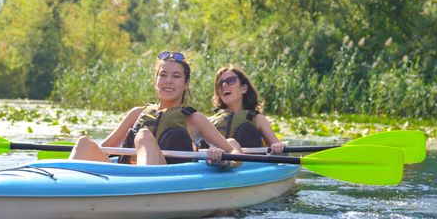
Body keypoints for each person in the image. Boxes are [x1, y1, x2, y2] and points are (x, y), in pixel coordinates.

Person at [70, 51, 242, 166]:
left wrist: (223, 159)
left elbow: (234, 152)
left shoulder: (194, 119)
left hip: (163, 181)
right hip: (125, 179)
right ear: (156, 80)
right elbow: (104, 149)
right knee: (84, 143)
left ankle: (140, 189)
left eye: (176, 76)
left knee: (144, 135)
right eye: (163, 75)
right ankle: (61, 189)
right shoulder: (137, 113)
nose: (168, 81)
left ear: (185, 84)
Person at [208, 66, 285, 154]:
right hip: (212, 165)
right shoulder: (208, 122)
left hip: (248, 165)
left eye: (231, 80)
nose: (224, 85)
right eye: (220, 83)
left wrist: (278, 147)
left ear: (243, 88)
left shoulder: (258, 119)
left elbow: (282, 154)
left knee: (246, 130)